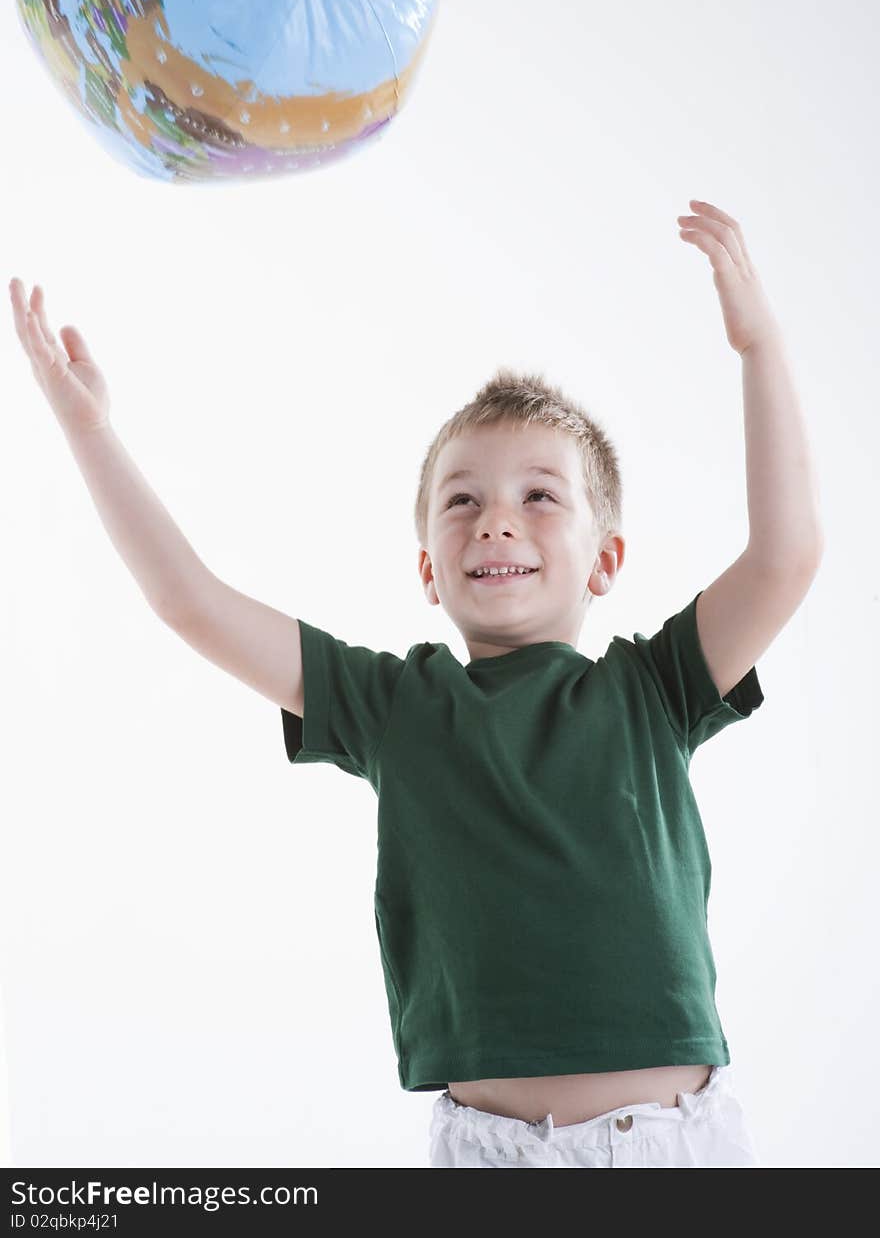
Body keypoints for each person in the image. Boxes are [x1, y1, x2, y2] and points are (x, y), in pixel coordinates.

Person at [8, 201, 824, 1167]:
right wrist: (89, 430)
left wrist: (759, 344)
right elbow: (188, 600)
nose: (495, 522)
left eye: (539, 496)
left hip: (667, 1146)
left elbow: (786, 555)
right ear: (430, 571)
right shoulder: (392, 706)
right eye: (463, 500)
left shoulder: (653, 687)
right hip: (483, 1152)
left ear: (605, 561)